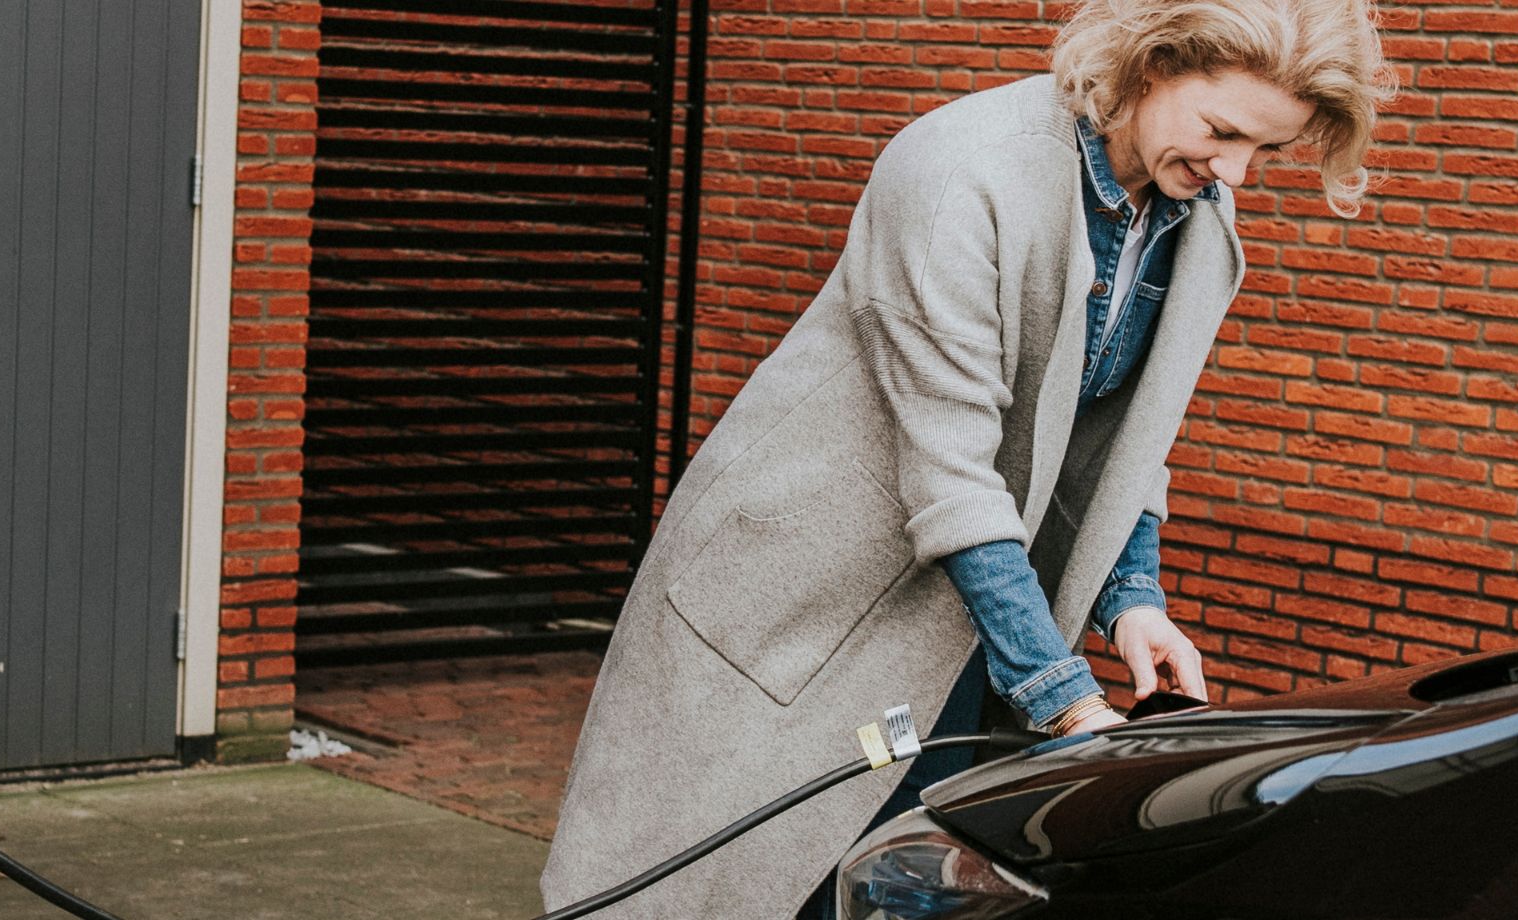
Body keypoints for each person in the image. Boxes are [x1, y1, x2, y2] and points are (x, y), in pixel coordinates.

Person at [541, 1, 1394, 915]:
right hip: (804, 597)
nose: (1232, 173)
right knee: (724, 881)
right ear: (1149, 64)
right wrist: (1064, 699)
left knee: (897, 888)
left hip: (971, 607)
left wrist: (1131, 600)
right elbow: (950, 468)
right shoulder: (960, 171)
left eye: (1264, 152)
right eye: (1222, 131)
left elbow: (1128, 437)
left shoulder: (1186, 210)